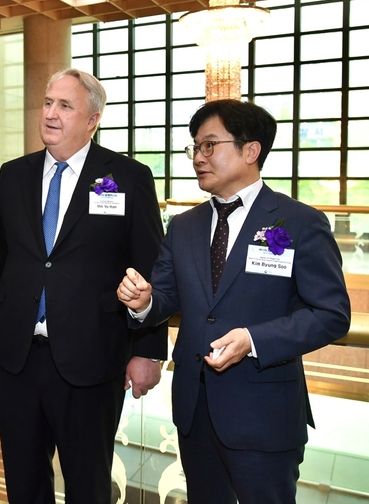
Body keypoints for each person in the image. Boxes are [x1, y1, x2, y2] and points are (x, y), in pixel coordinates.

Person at [117, 99, 351, 504]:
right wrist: (142, 302)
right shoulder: (184, 226)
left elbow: (331, 314)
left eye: (209, 145)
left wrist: (253, 340)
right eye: (194, 147)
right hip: (195, 412)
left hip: (265, 415)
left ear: (250, 150)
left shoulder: (299, 222)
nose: (197, 157)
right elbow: (167, 298)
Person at [0, 68, 167, 504]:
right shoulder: (14, 174)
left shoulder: (128, 177)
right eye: (47, 103)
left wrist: (148, 349)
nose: (51, 114)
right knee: (23, 483)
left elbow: (150, 268)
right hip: (16, 359)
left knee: (88, 484)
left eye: (65, 105)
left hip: (92, 359)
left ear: (92, 120)